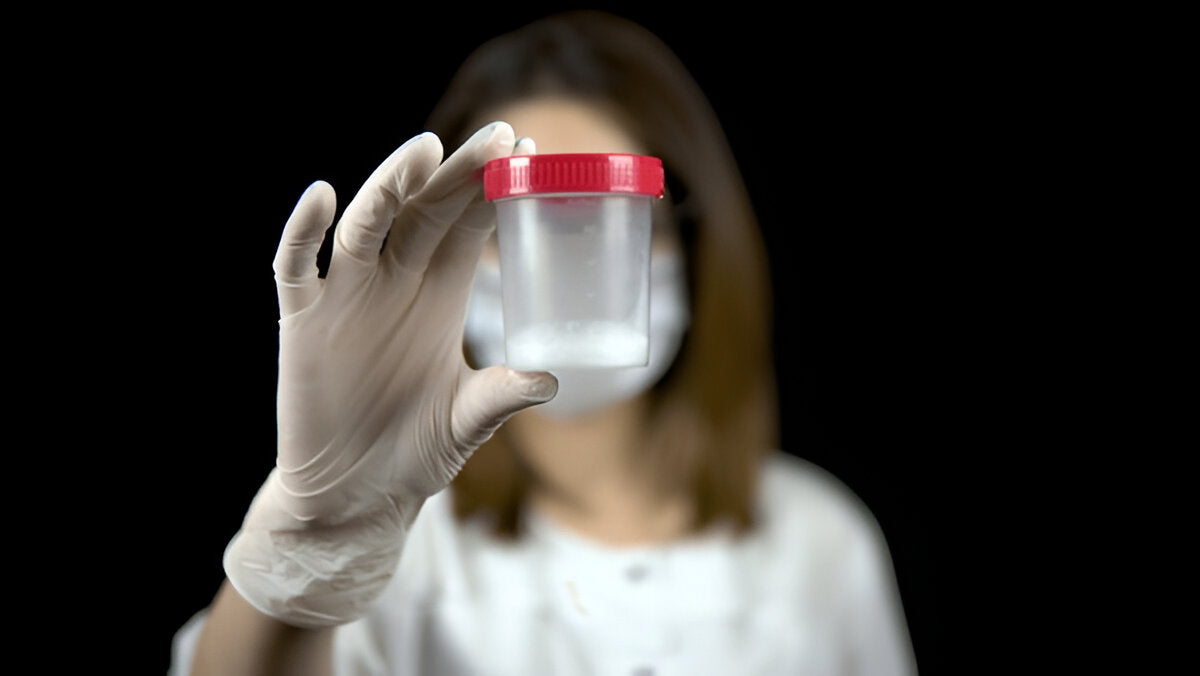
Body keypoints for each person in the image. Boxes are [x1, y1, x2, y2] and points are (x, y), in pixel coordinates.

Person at [169, 10, 917, 675]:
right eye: (519, 224)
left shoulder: (823, 542)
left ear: (689, 245)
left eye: (604, 219)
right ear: (453, 246)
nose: (565, 262)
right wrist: (310, 549)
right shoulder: (397, 540)